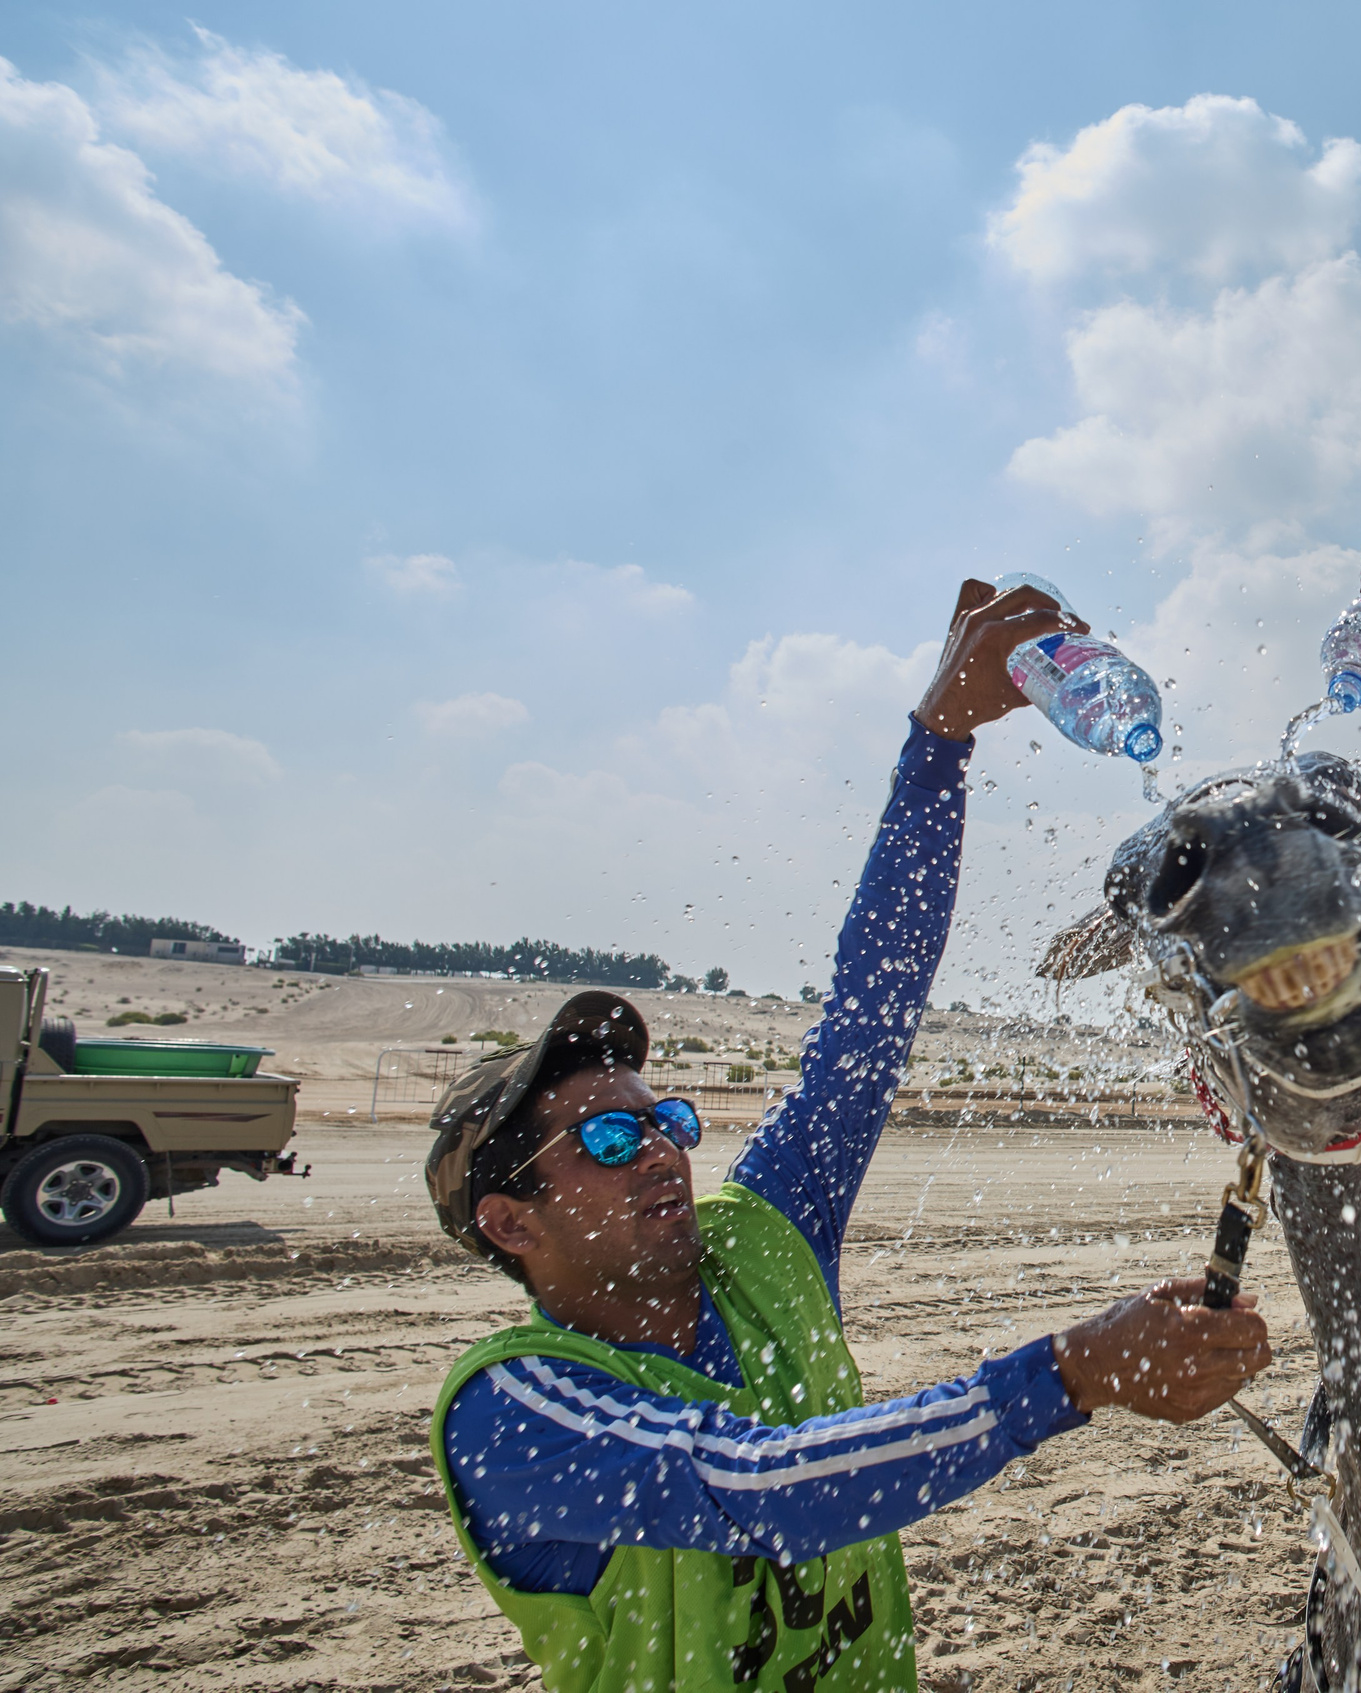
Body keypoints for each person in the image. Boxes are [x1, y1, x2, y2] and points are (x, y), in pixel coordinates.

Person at [423, 580, 1272, 1693]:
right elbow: (755, 1489)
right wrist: (1072, 1371)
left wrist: (940, 743)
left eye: (665, 1119)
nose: (668, 1148)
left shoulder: (758, 1239)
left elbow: (870, 1013)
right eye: (612, 1141)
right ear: (509, 1220)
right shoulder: (513, 1409)